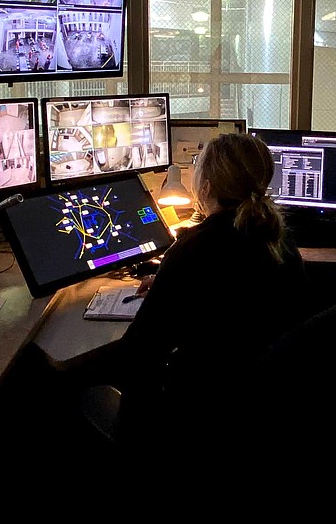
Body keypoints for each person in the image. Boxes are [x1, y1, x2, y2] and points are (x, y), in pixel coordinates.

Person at [115, 133, 312, 445]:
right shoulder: (278, 237)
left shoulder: (191, 250)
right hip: (265, 402)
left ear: (205, 188)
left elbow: (137, 354)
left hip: (202, 411)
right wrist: (171, 285)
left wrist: (167, 287)